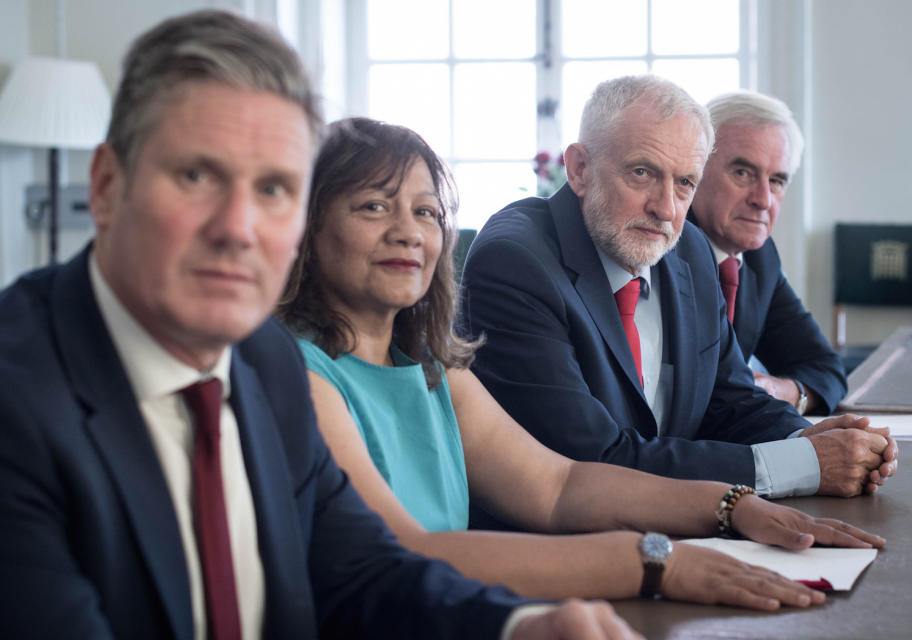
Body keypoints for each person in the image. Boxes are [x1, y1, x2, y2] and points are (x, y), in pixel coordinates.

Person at [0, 11, 642, 640]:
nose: (238, 230)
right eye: (196, 176)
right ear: (105, 187)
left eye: (274, 189)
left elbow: (362, 572)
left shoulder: (264, 362)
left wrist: (521, 628)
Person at [276, 116, 883, 609]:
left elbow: (560, 485)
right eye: (374, 208)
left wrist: (730, 504)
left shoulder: (435, 370)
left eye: (427, 212)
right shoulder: (300, 377)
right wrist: (653, 561)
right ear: (306, 226)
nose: (410, 233)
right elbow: (406, 552)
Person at [459, 75, 897, 501]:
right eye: (642, 173)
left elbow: (730, 400)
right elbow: (591, 461)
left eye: (685, 182)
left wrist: (808, 437)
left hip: (689, 525)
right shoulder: (515, 262)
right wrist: (803, 464)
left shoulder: (688, 248)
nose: (666, 209)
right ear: (578, 169)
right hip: (563, 548)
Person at [688, 90, 846, 415]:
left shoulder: (759, 259)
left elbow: (825, 367)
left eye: (776, 181)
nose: (763, 199)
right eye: (742, 173)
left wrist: (784, 391)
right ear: (694, 171)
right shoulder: (660, 249)